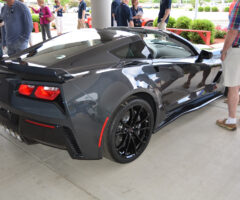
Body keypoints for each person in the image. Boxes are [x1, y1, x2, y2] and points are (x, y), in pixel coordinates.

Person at [216, 1, 240, 131]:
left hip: (236, 50)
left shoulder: (238, 5)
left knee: (233, 86)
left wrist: (224, 50)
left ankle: (231, 120)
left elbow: (232, 31)